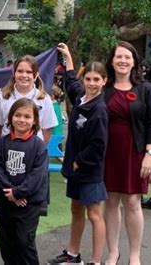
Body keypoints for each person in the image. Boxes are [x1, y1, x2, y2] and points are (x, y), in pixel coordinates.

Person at [48, 43, 108, 265]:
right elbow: (71, 80)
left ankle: (96, 260)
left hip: (89, 170)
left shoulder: (99, 111)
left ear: (104, 81)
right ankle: (73, 255)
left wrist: (78, 163)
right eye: (89, 79)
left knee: (94, 214)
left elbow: (98, 146)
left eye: (96, 79)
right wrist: (68, 58)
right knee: (76, 209)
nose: (91, 83)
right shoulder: (81, 98)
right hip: (75, 168)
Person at [103, 41, 151, 265]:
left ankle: (135, 255)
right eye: (119, 57)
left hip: (135, 153)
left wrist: (150, 153)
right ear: (112, 61)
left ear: (134, 61)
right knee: (111, 202)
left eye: (127, 57)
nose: (123, 61)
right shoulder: (105, 87)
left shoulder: (145, 89)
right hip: (107, 153)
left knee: (133, 202)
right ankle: (113, 252)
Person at [0, 98, 48, 264]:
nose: (22, 120)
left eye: (27, 117)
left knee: (24, 241)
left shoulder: (38, 146)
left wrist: (19, 192)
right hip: (7, 201)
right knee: (7, 242)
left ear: (35, 120)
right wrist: (10, 191)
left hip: (28, 204)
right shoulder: (2, 143)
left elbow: (37, 175)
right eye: (18, 115)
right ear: (10, 117)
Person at [0, 55, 58, 143]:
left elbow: (47, 129)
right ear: (14, 73)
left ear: (36, 75)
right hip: (7, 149)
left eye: (29, 72)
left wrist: (39, 149)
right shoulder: (3, 97)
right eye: (20, 71)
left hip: (33, 151)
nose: (24, 75)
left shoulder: (44, 99)